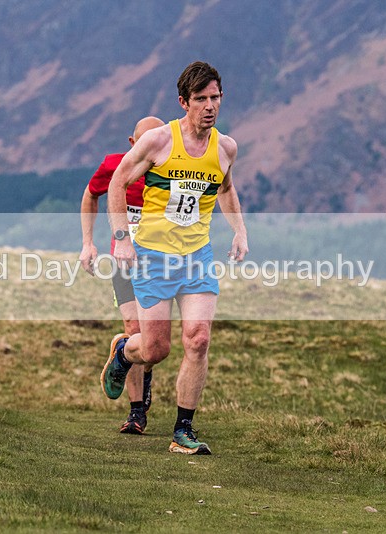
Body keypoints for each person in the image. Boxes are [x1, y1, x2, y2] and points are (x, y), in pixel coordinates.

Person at [102, 62, 249, 455]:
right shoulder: (158, 142)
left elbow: (226, 188)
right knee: (155, 350)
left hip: (197, 258)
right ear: (184, 102)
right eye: (200, 99)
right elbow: (117, 182)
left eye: (215, 98)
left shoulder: (226, 148)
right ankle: (123, 351)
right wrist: (121, 238)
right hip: (152, 256)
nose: (209, 106)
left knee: (198, 339)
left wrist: (239, 230)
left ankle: (183, 430)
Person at [79, 116, 164, 434]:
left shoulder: (169, 174)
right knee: (134, 327)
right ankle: (136, 412)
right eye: (143, 143)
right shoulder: (115, 166)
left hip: (162, 265)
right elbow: (90, 194)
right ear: (133, 143)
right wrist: (88, 243)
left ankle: (125, 353)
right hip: (125, 263)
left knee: (154, 344)